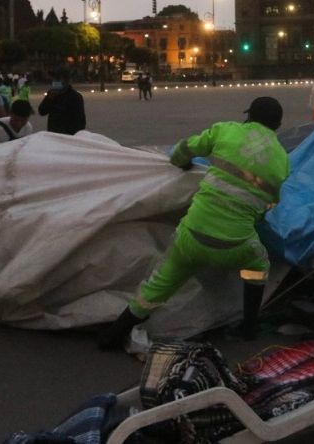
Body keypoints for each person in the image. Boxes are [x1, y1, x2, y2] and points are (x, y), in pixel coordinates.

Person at [98, 97, 290, 350]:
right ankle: (249, 327)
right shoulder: (282, 161)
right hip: (237, 247)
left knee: (159, 284)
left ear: (249, 116)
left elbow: (184, 149)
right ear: (277, 125)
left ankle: (114, 334)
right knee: (258, 266)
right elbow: (268, 206)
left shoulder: (226, 131)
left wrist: (182, 162)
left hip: (191, 238)